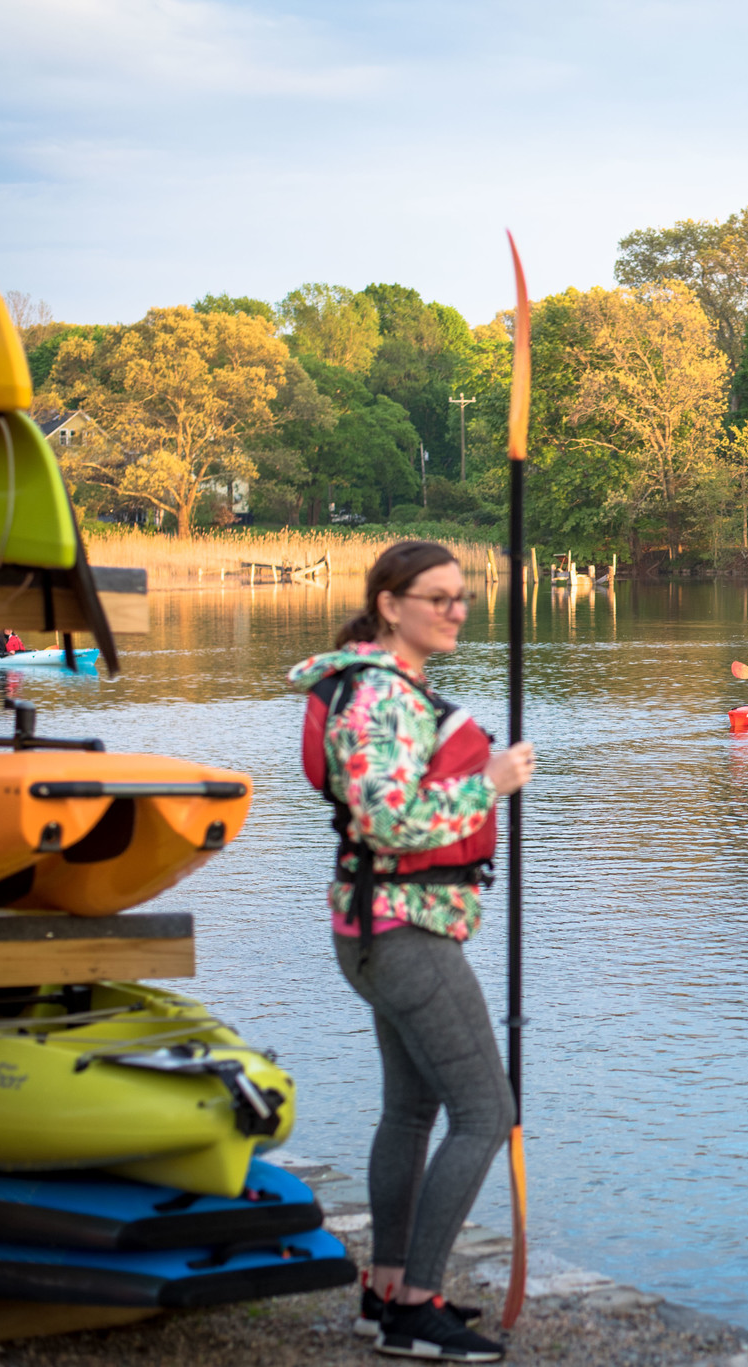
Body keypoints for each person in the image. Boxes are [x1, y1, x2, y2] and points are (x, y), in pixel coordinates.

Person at [290, 541, 533, 1363]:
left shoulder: (389, 687)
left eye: (462, 597)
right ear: (390, 605)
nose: (455, 610)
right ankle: (415, 1310)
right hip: (401, 932)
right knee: (486, 1111)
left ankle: (386, 1288)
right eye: (437, 597)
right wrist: (490, 784)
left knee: (411, 1108)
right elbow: (385, 825)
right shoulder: (377, 700)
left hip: (382, 930)